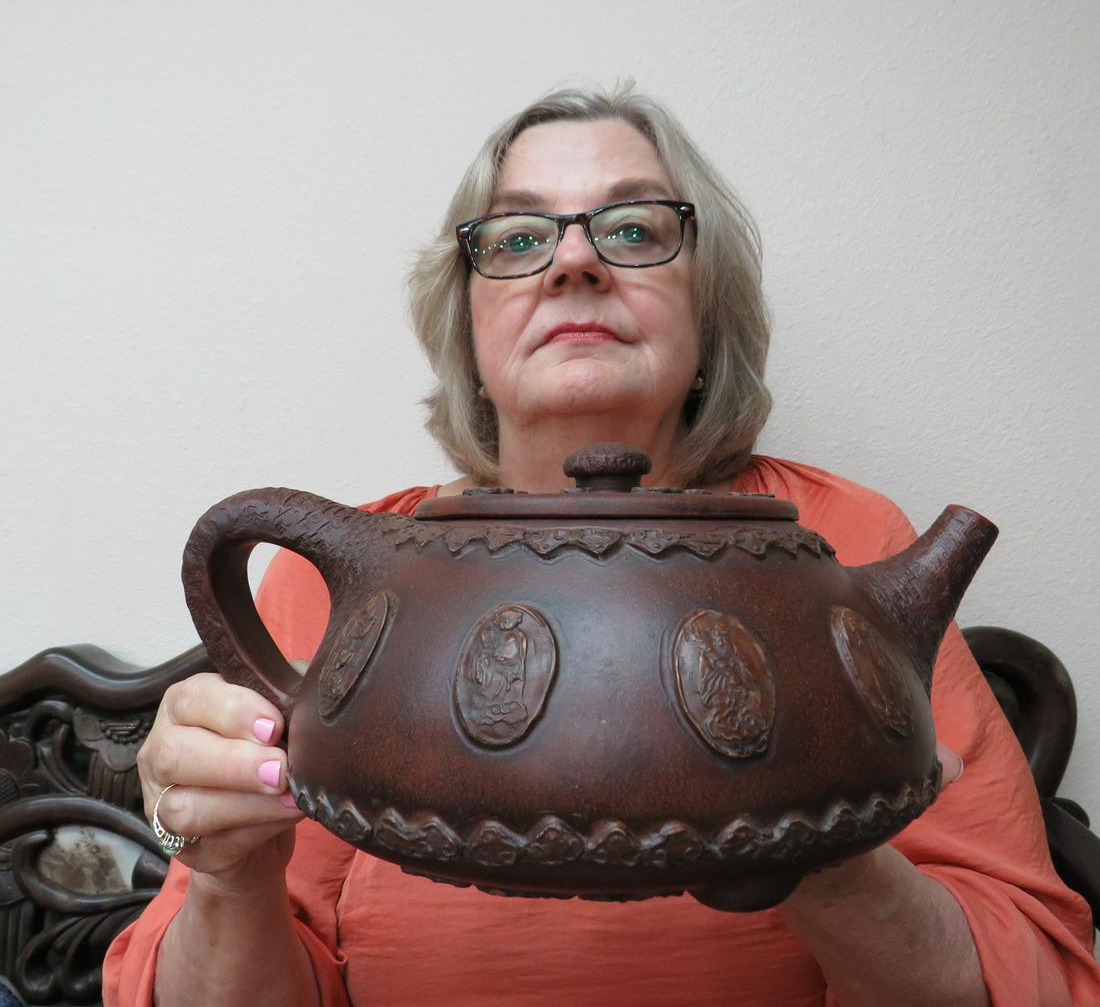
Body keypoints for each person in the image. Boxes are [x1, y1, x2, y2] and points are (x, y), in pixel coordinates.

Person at [103, 85, 1099, 1006]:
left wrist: (813, 841)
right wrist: (226, 875)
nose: (573, 262)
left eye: (632, 229)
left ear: (705, 312)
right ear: (469, 328)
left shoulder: (837, 546)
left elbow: (1035, 974)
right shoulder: (354, 579)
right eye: (518, 237)